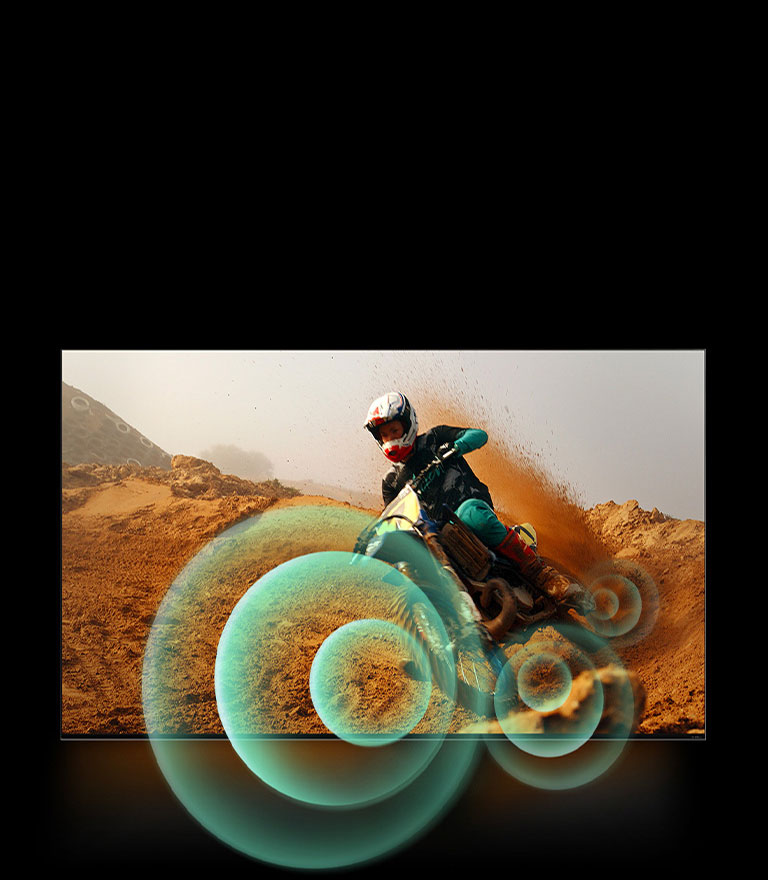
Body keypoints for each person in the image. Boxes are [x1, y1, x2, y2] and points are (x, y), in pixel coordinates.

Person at [364, 391, 594, 611]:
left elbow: (479, 435)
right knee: (411, 566)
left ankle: (545, 576)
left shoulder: (434, 439)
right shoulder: (391, 481)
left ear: (408, 424)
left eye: (394, 430)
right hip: (435, 534)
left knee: (471, 516)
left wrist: (456, 447)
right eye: (384, 435)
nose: (390, 439)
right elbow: (395, 516)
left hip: (469, 506)